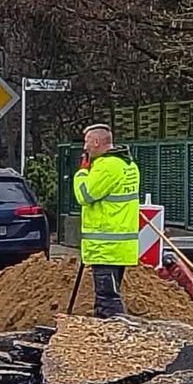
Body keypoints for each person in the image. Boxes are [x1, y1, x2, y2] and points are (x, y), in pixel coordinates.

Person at [72, 124, 140, 318]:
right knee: (108, 296)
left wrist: (82, 172)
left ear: (96, 142)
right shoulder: (127, 164)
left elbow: (84, 195)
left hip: (105, 247)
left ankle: (114, 337)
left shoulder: (107, 167)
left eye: (86, 142)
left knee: (107, 301)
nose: (84, 148)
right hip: (119, 245)